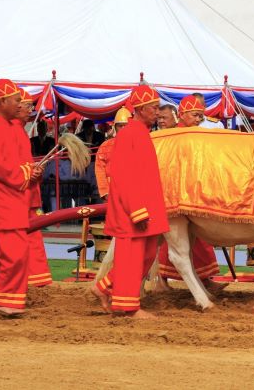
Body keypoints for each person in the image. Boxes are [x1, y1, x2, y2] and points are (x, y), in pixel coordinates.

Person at [91, 85, 169, 318]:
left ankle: (104, 287)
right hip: (133, 210)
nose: (158, 112)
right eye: (154, 108)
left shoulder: (141, 132)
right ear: (142, 109)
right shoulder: (129, 134)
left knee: (144, 256)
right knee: (131, 256)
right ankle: (127, 307)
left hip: (145, 207)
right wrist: (137, 210)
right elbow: (123, 176)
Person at [157, 95, 221, 288]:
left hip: (192, 194)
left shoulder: (195, 134)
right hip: (176, 195)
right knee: (176, 239)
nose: (198, 120)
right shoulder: (175, 136)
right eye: (195, 115)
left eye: (201, 116)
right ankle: (164, 278)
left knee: (195, 239)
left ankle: (202, 279)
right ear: (183, 115)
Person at [0, 79, 43, 316]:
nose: (20, 105)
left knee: (11, 252)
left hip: (10, 198)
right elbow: (1, 166)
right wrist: (25, 173)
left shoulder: (6, 126)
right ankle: (6, 301)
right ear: (2, 101)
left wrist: (29, 173)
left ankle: (5, 299)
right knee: (15, 252)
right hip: (4, 200)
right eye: (16, 100)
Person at [14, 89, 52, 288]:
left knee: (33, 237)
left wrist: (33, 171)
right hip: (17, 193)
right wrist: (30, 172)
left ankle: (37, 279)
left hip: (27, 191)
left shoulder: (19, 130)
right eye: (28, 105)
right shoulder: (11, 130)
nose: (30, 110)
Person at [94, 107, 131, 200]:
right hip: (112, 192)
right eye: (120, 126)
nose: (123, 128)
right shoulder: (105, 146)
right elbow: (100, 170)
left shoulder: (139, 143)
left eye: (125, 125)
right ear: (115, 127)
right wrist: (105, 192)